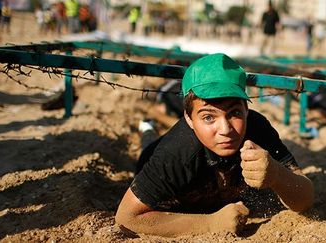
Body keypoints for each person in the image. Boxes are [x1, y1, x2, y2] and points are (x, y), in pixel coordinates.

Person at [115, 53, 314, 237]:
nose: (225, 129)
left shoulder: (257, 129)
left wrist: (277, 174)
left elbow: (305, 197)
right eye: (209, 117)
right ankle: (147, 127)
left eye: (234, 113)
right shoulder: (176, 152)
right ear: (189, 119)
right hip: (153, 155)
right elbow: (127, 218)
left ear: (246, 109)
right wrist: (210, 224)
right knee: (148, 142)